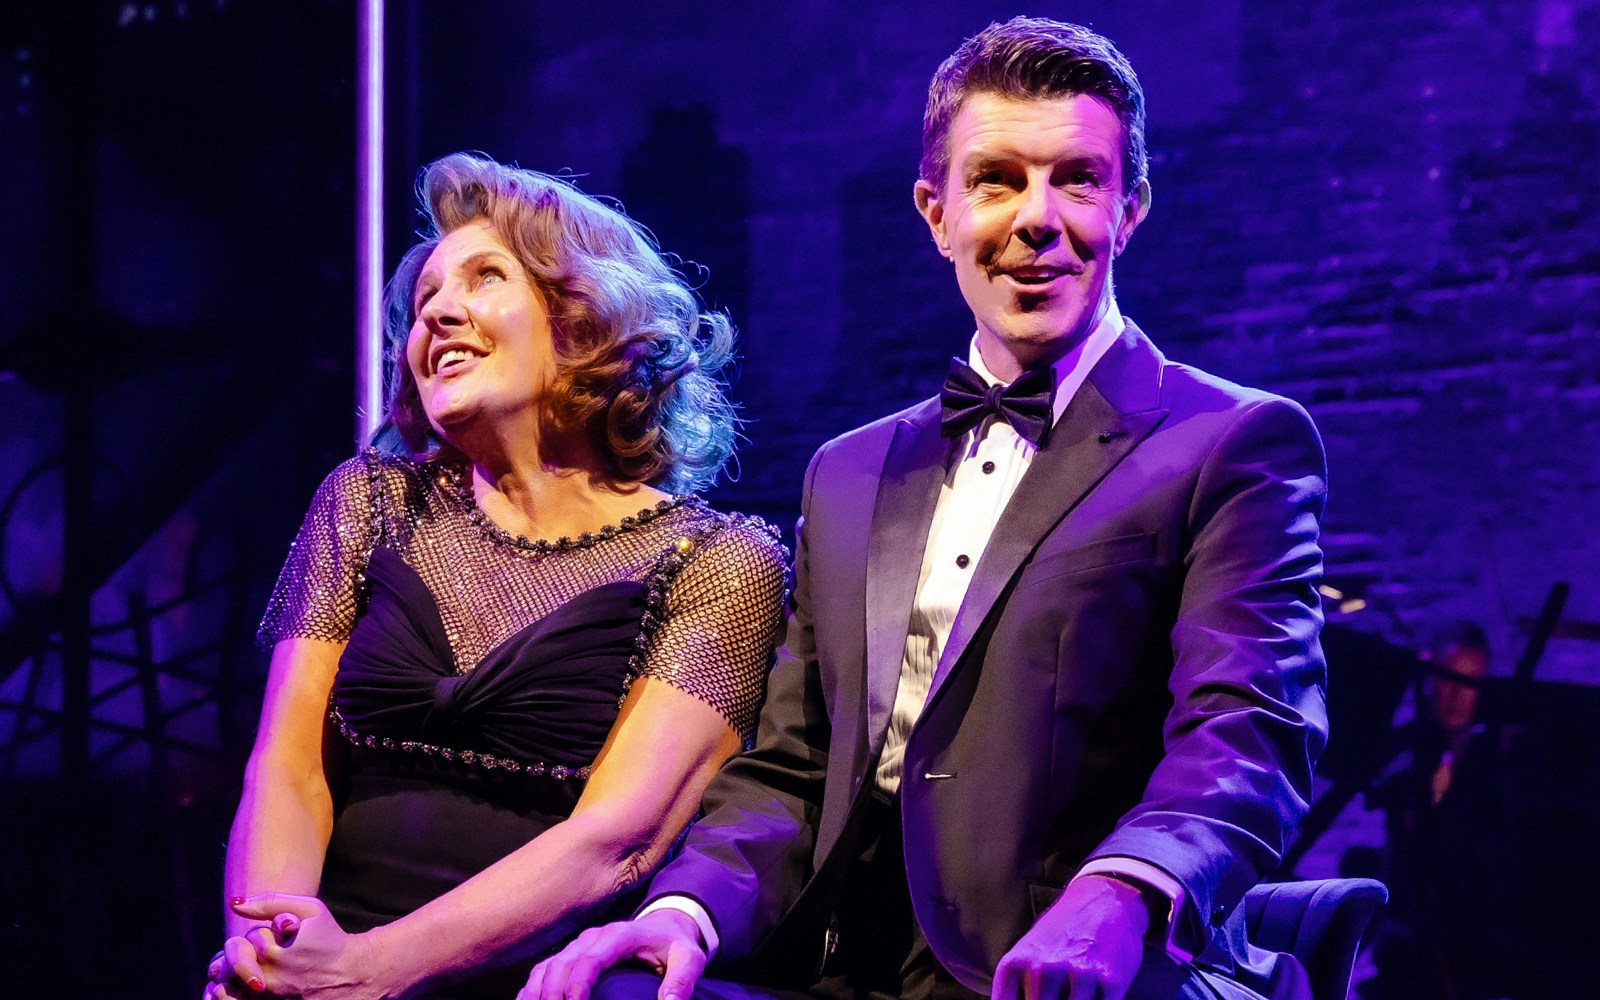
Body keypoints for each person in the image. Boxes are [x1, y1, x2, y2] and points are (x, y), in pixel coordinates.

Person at [526, 17, 1328, 1000]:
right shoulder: (850, 472)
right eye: (996, 179)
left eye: (1076, 177)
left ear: (1129, 210)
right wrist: (678, 913)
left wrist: (1119, 893)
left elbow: (1246, 737)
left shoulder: (1230, 441)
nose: (1037, 216)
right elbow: (788, 767)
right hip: (842, 963)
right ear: (936, 212)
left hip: (1088, 971)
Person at [205, 152, 788, 1000]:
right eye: (425, 300)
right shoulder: (369, 501)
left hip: (543, 975)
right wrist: (270, 954)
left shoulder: (718, 560)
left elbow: (617, 839)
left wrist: (371, 973)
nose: (439, 311)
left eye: (484, 278)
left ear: (585, 317)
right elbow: (288, 768)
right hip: (330, 949)